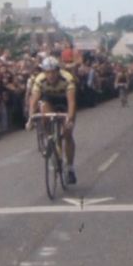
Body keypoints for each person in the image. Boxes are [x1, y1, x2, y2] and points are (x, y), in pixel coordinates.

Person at [27, 56, 78, 184]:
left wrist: (69, 120)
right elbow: (33, 101)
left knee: (67, 134)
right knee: (44, 111)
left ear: (58, 71)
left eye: (53, 72)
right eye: (47, 72)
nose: (50, 75)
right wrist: (30, 119)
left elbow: (71, 102)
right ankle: (50, 138)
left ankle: (70, 168)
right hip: (49, 100)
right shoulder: (39, 80)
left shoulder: (67, 78)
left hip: (64, 102)